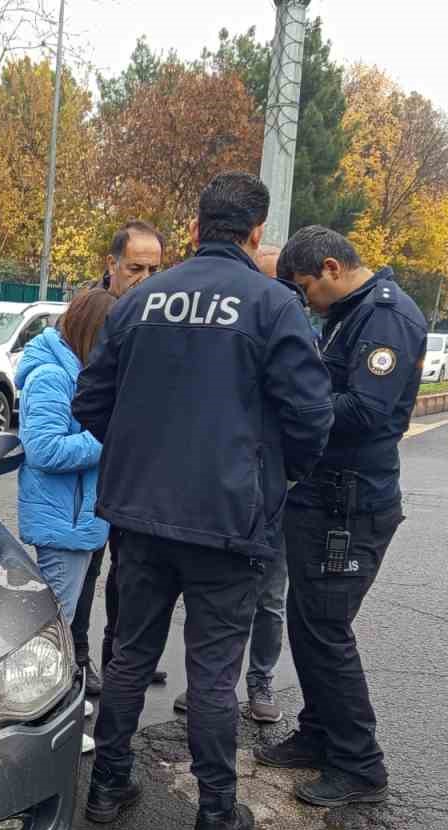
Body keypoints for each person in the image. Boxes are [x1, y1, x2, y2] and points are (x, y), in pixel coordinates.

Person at [73, 172, 333, 830]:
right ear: (256, 235)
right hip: (228, 520)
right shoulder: (275, 306)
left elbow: (89, 402)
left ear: (193, 229)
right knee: (214, 673)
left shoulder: (139, 301)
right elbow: (311, 417)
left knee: (129, 656)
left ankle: (107, 785)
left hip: (139, 517)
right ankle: (216, 813)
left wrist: (140, 459)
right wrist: (273, 476)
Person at [258, 225, 427, 807]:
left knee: (327, 630)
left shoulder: (385, 319)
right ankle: (320, 732)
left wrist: (292, 406)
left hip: (350, 504)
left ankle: (360, 766)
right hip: (325, 494)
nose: (305, 301)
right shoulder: (350, 313)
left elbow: (367, 409)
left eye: (305, 288)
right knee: (309, 625)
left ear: (331, 268)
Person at [174, 241, 289, 725]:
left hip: (274, 491)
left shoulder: (291, 326)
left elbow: (307, 414)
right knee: (212, 597)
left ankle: (259, 679)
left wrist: (287, 473)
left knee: (268, 597)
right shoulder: (232, 332)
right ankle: (206, 685)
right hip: (225, 490)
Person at [14, 288, 117, 754]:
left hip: (77, 520)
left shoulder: (76, 370)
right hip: (63, 523)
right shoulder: (53, 376)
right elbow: (45, 449)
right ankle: (54, 725)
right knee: (53, 631)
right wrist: (109, 440)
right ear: (89, 332)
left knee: (61, 620)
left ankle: (62, 702)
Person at [75, 219, 168, 695]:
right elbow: (88, 401)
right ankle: (82, 659)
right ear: (111, 265)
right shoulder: (92, 313)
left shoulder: (162, 316)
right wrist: (122, 443)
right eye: (136, 267)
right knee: (87, 575)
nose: (146, 279)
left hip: (139, 482)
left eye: (155, 268)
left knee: (127, 580)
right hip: (101, 478)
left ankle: (122, 658)